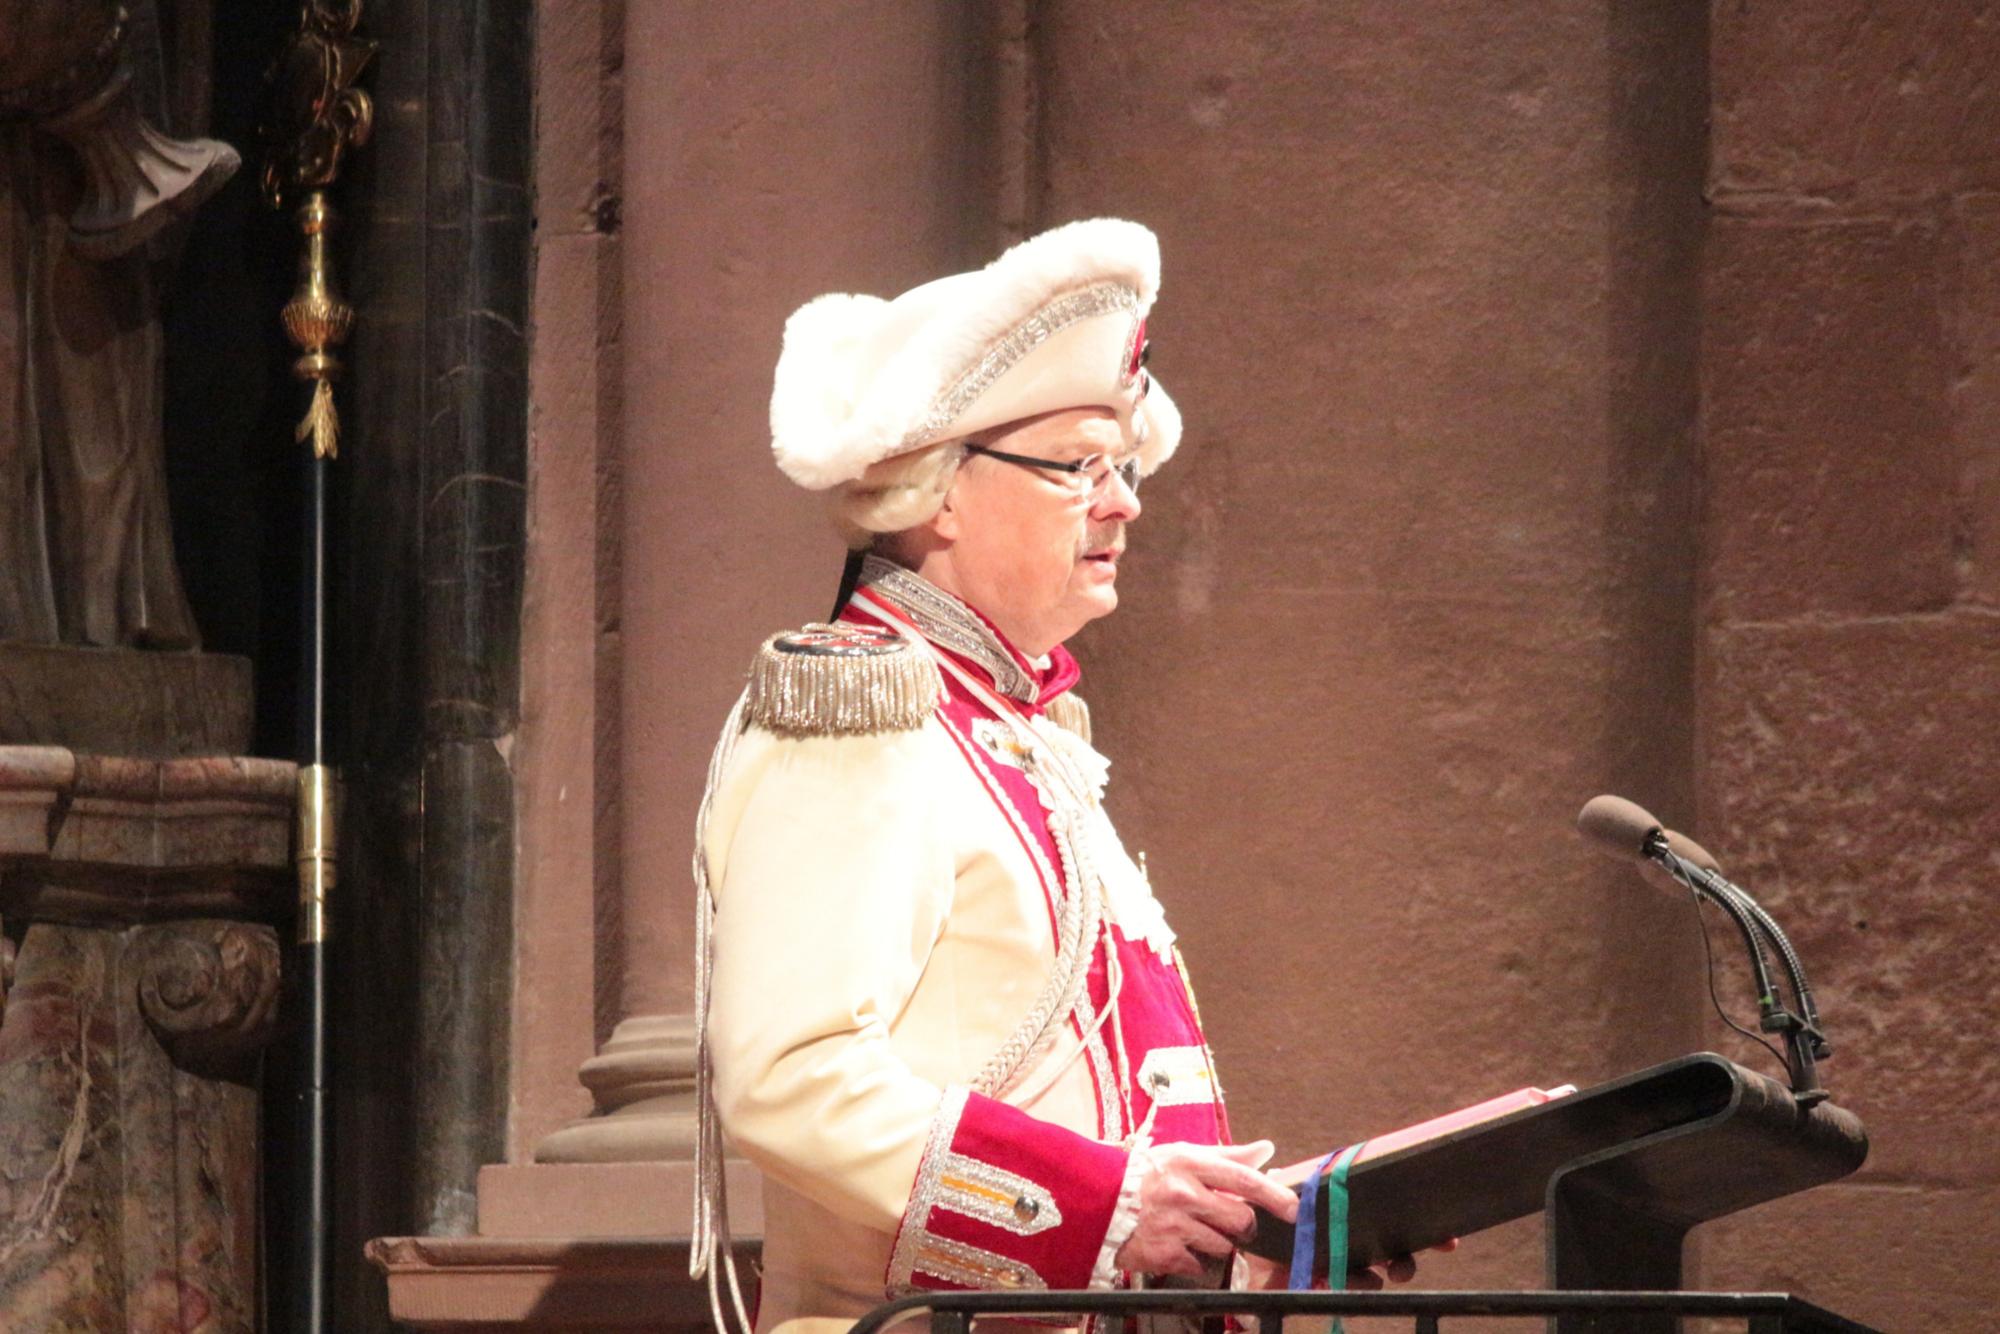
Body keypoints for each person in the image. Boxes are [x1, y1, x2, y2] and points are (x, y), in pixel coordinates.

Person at [690, 220, 1416, 1334]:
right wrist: (1112, 1206)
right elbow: (792, 1073)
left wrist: (1256, 1240)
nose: (1123, 500)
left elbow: (1093, 1101)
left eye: (1120, 466)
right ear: (931, 490)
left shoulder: (1015, 731)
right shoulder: (859, 716)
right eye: (1080, 465)